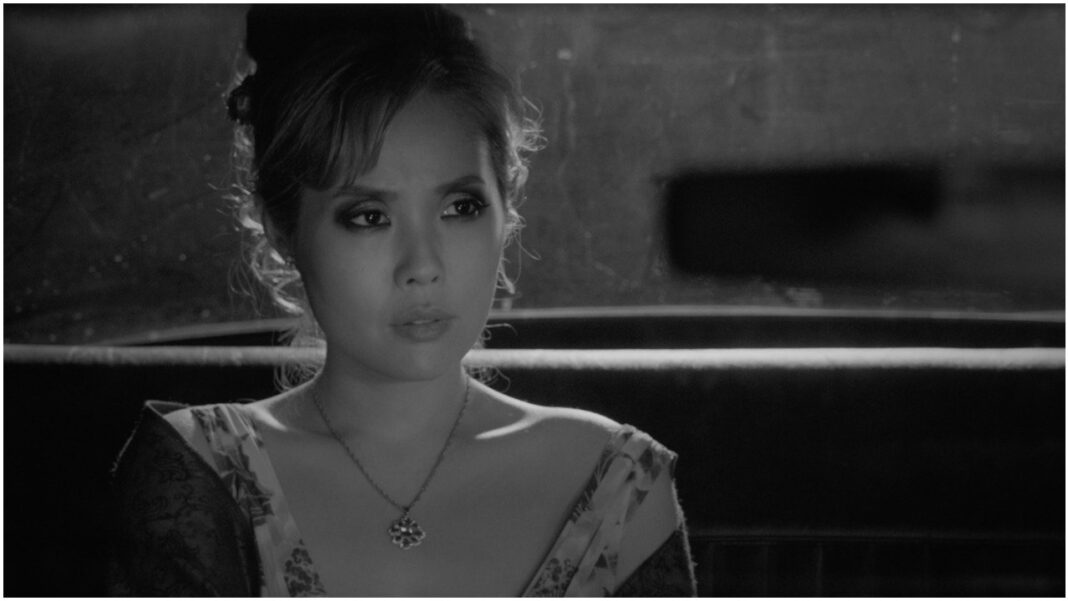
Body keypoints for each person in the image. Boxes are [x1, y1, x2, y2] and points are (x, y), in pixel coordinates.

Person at [108, 5, 696, 596]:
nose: (422, 267)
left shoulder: (619, 486)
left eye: (460, 208)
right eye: (369, 216)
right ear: (282, 229)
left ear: (507, 209)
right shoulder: (204, 472)